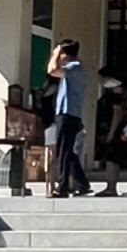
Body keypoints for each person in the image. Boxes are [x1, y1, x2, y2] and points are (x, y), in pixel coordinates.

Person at [46, 39, 89, 197]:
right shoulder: (74, 69)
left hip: (68, 113)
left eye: (61, 54)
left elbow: (51, 70)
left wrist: (55, 53)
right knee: (68, 151)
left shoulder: (74, 67)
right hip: (68, 113)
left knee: (63, 152)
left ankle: (62, 188)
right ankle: (82, 182)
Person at [93, 67, 125, 197]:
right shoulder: (110, 92)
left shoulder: (116, 93)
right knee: (110, 159)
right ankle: (110, 186)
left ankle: (111, 187)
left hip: (113, 131)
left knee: (111, 159)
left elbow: (118, 113)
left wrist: (112, 132)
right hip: (106, 129)